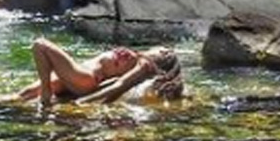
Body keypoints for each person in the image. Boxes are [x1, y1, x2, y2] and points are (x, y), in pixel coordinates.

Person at [10, 38, 183, 106]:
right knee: (22, 95)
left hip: (86, 78)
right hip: (83, 76)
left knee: (40, 44)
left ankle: (46, 95)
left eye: (164, 51)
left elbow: (119, 85)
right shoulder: (141, 59)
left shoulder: (145, 64)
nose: (163, 49)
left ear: (164, 56)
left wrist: (84, 102)